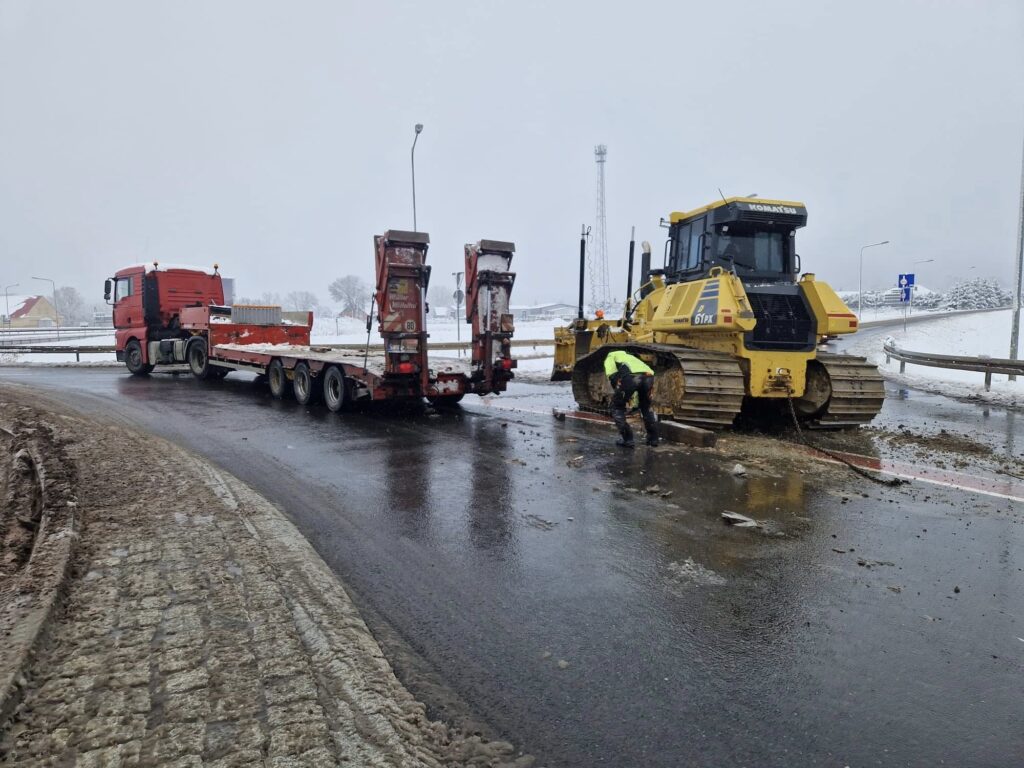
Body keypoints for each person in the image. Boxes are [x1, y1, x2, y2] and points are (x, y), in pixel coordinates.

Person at [603, 350, 659, 448]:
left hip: (632, 377)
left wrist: (619, 394)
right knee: (646, 407)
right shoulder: (630, 356)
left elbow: (612, 376)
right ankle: (653, 439)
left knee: (617, 407)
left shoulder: (610, 356)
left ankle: (628, 439)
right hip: (649, 376)